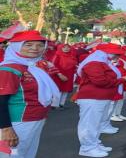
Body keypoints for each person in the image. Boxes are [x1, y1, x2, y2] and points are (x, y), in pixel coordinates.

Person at [0, 30, 60, 158]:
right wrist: (6, 129)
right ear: (16, 46)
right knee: (13, 155)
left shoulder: (31, 66)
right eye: (28, 44)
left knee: (27, 154)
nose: (35, 48)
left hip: (34, 120)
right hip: (18, 122)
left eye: (40, 45)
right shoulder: (9, 69)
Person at [75, 43, 126, 157]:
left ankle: (93, 144)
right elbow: (101, 81)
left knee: (95, 123)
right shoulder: (94, 63)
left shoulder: (100, 62)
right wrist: (121, 80)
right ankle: (87, 147)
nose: (116, 56)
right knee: (89, 124)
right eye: (115, 54)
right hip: (93, 97)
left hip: (99, 97)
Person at [51, 44, 78, 108]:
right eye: (64, 47)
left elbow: (74, 65)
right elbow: (52, 65)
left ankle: (61, 104)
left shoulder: (72, 56)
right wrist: (59, 74)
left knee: (66, 89)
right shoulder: (57, 55)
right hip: (58, 75)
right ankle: (54, 104)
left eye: (68, 47)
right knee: (58, 89)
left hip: (69, 74)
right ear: (60, 48)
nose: (66, 48)